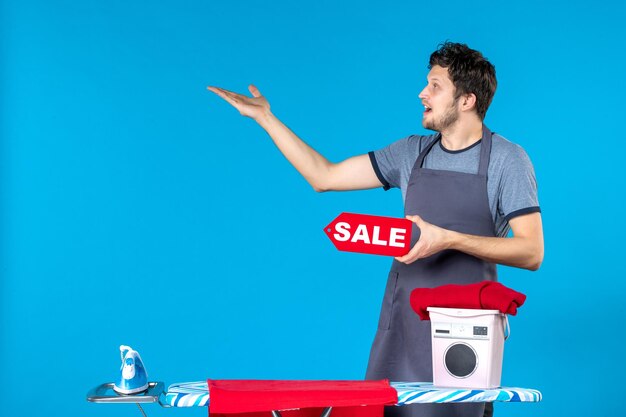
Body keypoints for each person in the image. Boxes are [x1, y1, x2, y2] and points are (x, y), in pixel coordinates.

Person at [207, 42, 544, 417]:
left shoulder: (507, 160)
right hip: (402, 331)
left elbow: (531, 251)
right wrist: (266, 118)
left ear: (466, 100)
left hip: (463, 340)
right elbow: (324, 176)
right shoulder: (410, 154)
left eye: (435, 85)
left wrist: (447, 238)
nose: (422, 93)